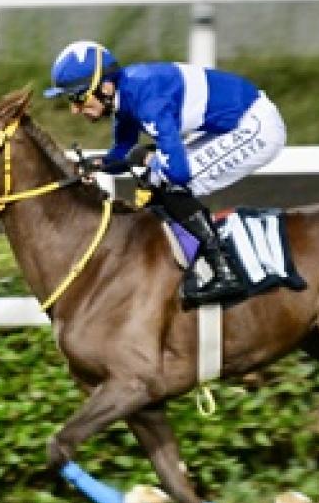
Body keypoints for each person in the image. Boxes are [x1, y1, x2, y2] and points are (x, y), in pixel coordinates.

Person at [43, 40, 287, 307]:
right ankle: (182, 264)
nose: (75, 109)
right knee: (155, 177)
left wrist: (146, 157)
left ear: (104, 86)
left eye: (78, 97)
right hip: (228, 125)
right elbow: (122, 154)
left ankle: (224, 271)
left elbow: (179, 173)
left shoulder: (147, 100)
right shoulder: (124, 96)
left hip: (255, 127)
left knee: (168, 182)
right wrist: (92, 165)